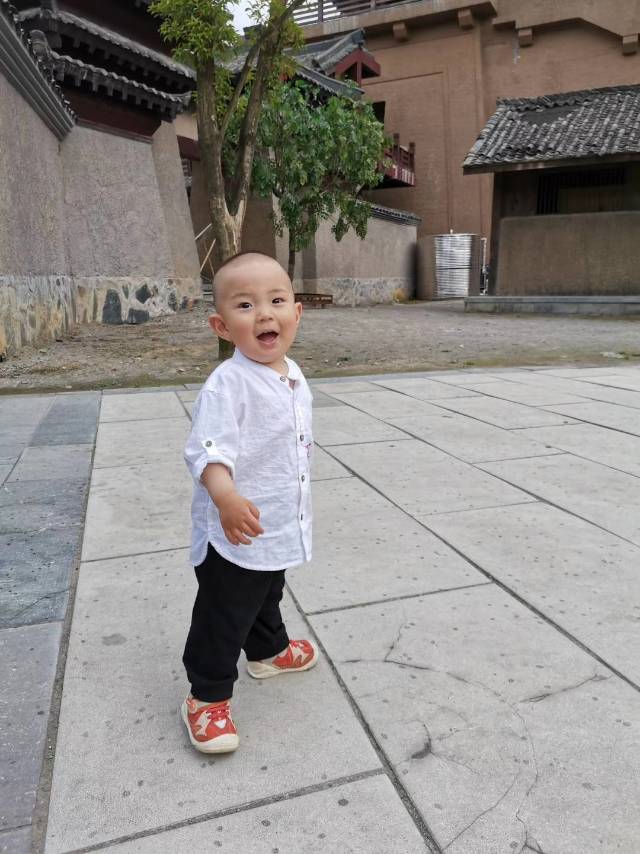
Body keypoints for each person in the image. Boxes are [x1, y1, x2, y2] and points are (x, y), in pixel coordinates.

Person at [181, 251, 317, 754]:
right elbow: (208, 452)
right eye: (245, 305)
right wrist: (226, 498)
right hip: (234, 529)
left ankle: (268, 650)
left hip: (275, 521)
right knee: (224, 613)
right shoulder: (228, 384)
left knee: (267, 590)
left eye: (276, 301)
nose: (264, 314)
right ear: (221, 326)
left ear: (296, 313)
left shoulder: (292, 373)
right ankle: (206, 696)